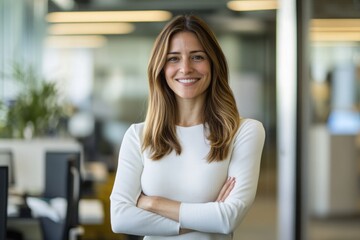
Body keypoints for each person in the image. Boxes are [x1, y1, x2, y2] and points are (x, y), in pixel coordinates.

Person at [110, 14, 265, 240]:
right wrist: (205, 217)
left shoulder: (244, 132)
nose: (185, 68)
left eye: (197, 57)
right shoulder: (138, 135)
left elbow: (228, 218)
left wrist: (152, 203)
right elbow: (120, 218)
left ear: (213, 64)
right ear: (160, 68)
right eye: (173, 58)